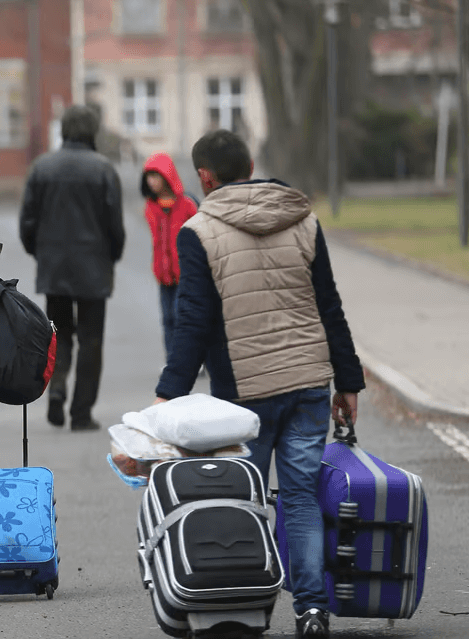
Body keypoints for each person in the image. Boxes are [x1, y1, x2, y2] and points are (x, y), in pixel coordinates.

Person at [154, 130, 364, 639]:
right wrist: (348, 381)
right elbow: (328, 304)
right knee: (300, 499)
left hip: (244, 395)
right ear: (250, 164)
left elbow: (195, 322)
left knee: (242, 502)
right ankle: (312, 610)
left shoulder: (198, 231)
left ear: (205, 177)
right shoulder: (302, 218)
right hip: (310, 382)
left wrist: (168, 394)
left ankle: (247, 605)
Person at [19, 104, 125, 431]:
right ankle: (81, 412)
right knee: (92, 340)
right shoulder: (104, 170)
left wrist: (40, 253)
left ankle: (57, 388)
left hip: (55, 268)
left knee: (59, 334)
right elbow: (114, 226)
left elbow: (27, 222)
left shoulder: (42, 168)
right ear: (92, 131)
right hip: (94, 267)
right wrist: (112, 256)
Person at [140, 153, 199, 360]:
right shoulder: (151, 207)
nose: (151, 181)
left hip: (185, 272)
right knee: (167, 319)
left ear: (167, 176)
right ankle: (172, 360)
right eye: (148, 177)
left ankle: (190, 359)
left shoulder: (187, 204)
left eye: (155, 176)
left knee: (183, 316)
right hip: (163, 273)